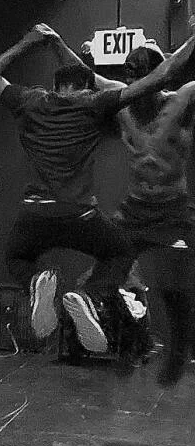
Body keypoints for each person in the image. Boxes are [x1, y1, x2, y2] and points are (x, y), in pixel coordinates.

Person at [0, 23, 195, 352]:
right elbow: (156, 73)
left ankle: (40, 283)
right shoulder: (98, 103)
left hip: (41, 213)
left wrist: (37, 42)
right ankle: (93, 302)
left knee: (18, 256)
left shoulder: (32, 100)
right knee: (119, 257)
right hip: (99, 212)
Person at [58, 39, 195, 383]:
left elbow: (177, 68)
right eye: (132, 80)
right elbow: (86, 75)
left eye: (144, 79)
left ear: (159, 78)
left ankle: (179, 351)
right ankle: (138, 339)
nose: (138, 88)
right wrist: (56, 43)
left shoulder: (182, 99)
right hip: (135, 212)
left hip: (172, 212)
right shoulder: (122, 101)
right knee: (99, 280)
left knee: (174, 288)